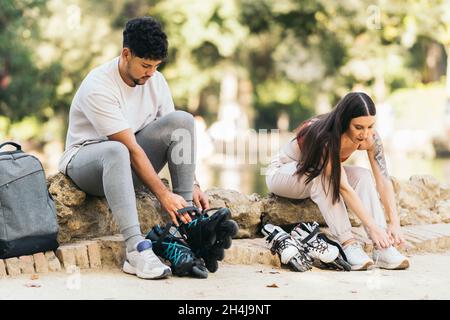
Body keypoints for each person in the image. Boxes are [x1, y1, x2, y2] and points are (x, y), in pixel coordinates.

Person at [58, 16, 209, 279]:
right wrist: (163, 195)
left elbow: (177, 137)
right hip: (88, 164)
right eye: (145, 65)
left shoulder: (156, 81)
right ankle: (135, 250)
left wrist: (193, 182)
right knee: (117, 150)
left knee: (183, 121)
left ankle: (186, 224)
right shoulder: (99, 86)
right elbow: (131, 149)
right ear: (126, 54)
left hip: (127, 164)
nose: (151, 73)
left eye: (156, 66)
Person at [265, 92, 409, 271]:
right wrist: (370, 226)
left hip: (311, 171)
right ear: (344, 121)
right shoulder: (324, 136)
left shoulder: (370, 137)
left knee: (363, 175)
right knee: (322, 177)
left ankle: (383, 247)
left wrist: (394, 223)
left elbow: (383, 180)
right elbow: (342, 186)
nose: (365, 134)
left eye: (370, 126)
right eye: (358, 127)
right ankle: (349, 244)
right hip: (282, 173)